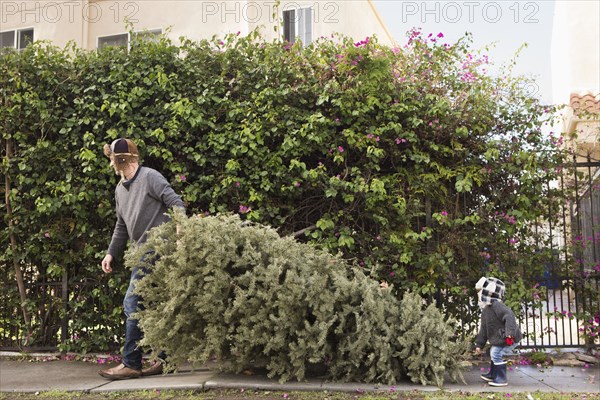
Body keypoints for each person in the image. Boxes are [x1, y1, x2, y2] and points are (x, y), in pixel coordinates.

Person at [98, 138, 185, 380]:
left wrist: (179, 236)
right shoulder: (119, 189)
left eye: (123, 160)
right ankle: (166, 361)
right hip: (141, 252)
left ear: (133, 159)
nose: (121, 165)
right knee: (156, 305)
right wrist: (110, 253)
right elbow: (121, 226)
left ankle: (131, 363)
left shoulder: (150, 177)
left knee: (132, 303)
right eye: (118, 161)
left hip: (159, 248)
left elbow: (176, 204)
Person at [474, 277, 522, 387]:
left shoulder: (496, 305)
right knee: (494, 352)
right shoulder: (486, 310)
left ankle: (501, 379)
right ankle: (493, 374)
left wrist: (509, 332)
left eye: (480, 292)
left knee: (495, 353)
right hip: (500, 338)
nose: (478, 295)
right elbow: (483, 330)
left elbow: (509, 316)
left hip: (510, 337)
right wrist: (479, 345)